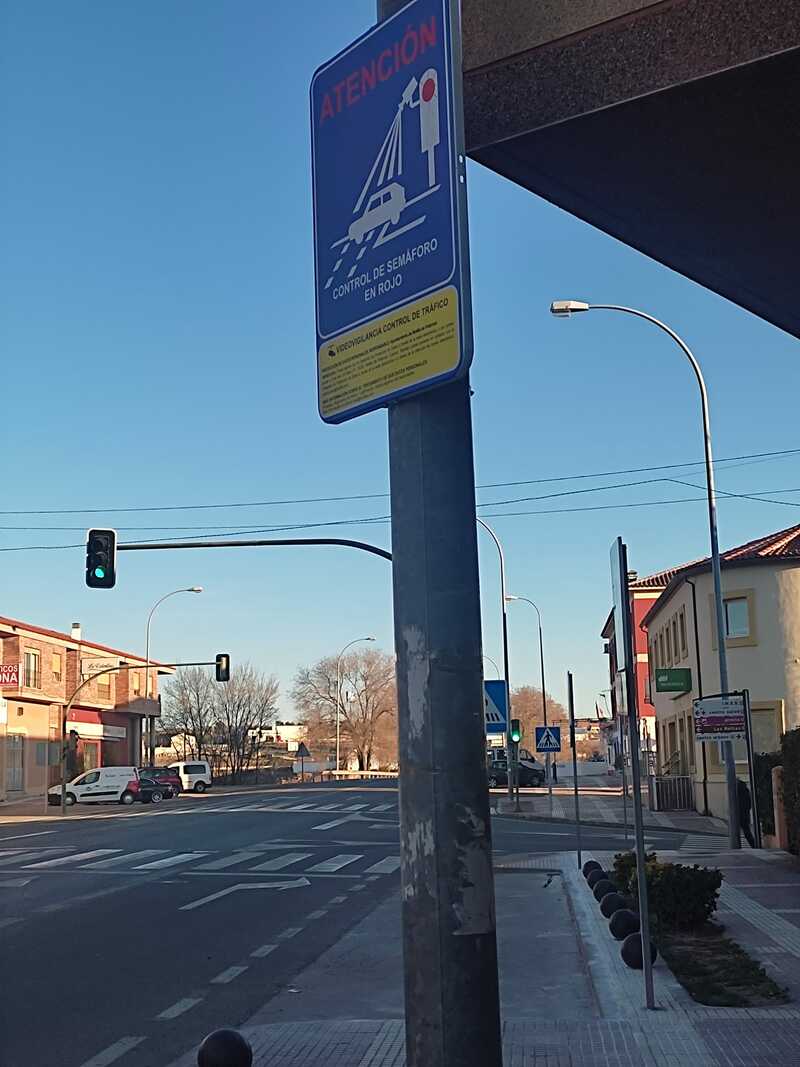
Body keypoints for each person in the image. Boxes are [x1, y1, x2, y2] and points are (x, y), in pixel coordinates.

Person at [737, 777, 756, 848]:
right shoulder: (745, 790)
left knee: (746, 831)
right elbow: (749, 803)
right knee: (746, 831)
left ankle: (753, 845)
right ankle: (753, 845)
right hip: (744, 813)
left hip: (741, 814)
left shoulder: (739, 790)